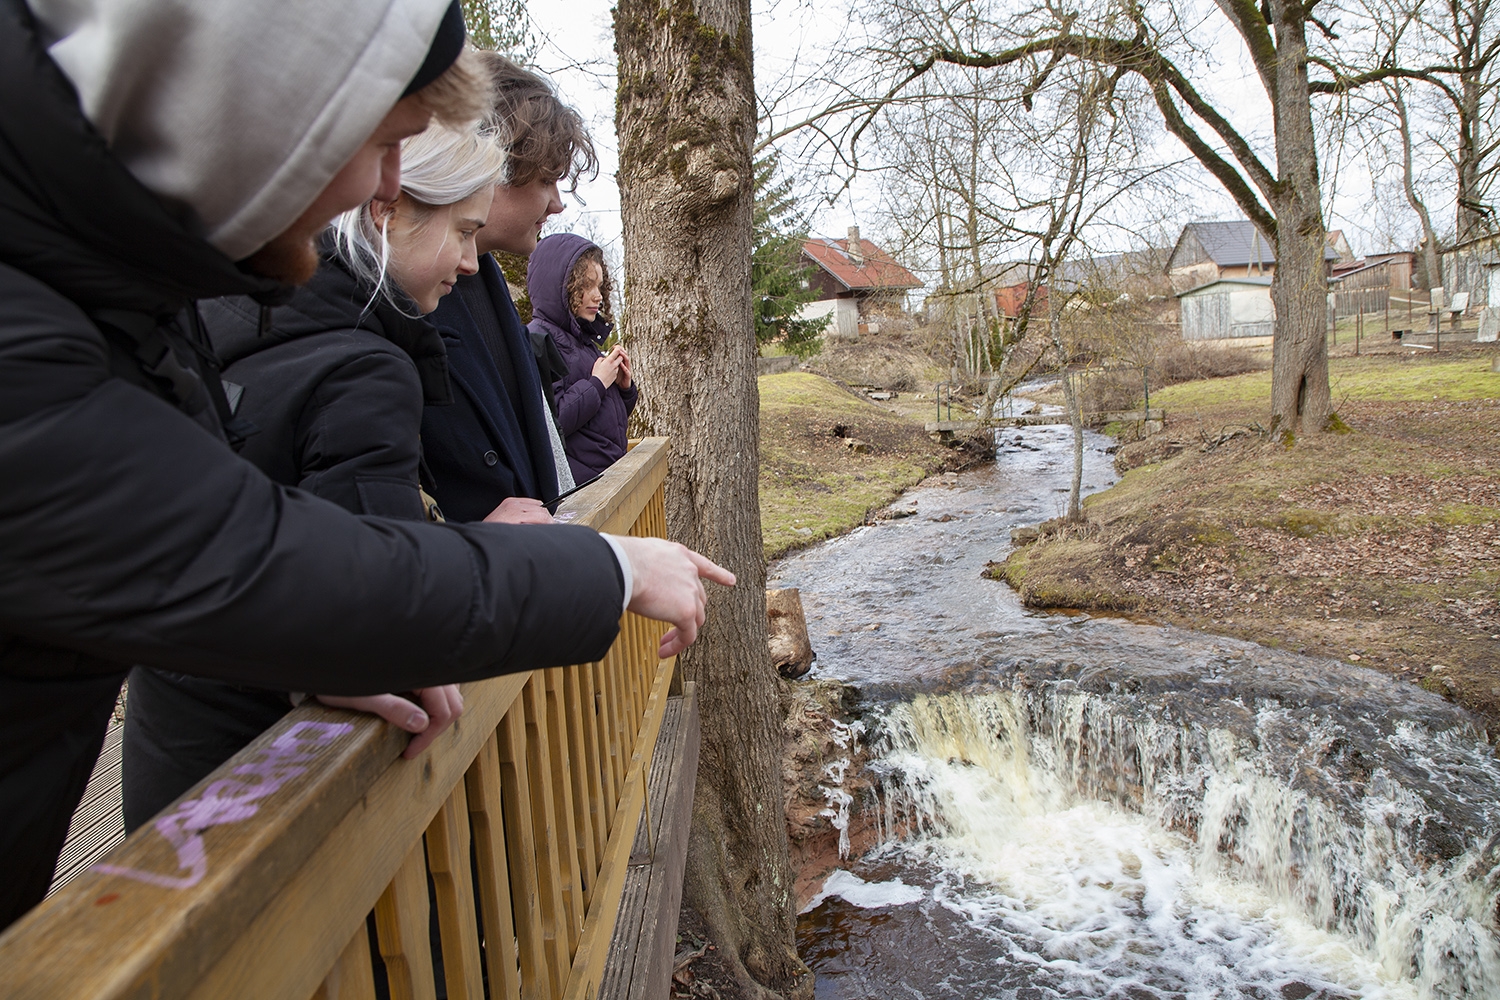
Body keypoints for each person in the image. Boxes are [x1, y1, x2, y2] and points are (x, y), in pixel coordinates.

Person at [0, 0, 731, 931]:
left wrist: (322, 637)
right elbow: (261, 563)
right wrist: (613, 565)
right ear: (268, 108)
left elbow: (243, 553)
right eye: (385, 139)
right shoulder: (36, 333)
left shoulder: (108, 299)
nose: (387, 181)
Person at [120, 122, 507, 831]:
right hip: (274, 787)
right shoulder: (365, 371)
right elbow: (379, 615)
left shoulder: (230, 313)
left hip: (173, 745)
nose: (474, 262)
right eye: (464, 231)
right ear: (387, 212)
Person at [420, 53, 592, 524]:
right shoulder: (410, 292)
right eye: (545, 180)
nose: (556, 204)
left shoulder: (486, 276)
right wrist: (471, 538)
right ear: (492, 166)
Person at [529, 234, 638, 482]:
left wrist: (623, 389)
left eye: (599, 286)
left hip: (605, 482)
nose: (597, 296)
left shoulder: (582, 339)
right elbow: (552, 425)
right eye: (586, 286)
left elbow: (602, 421)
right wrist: (597, 383)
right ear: (561, 286)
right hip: (580, 492)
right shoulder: (538, 339)